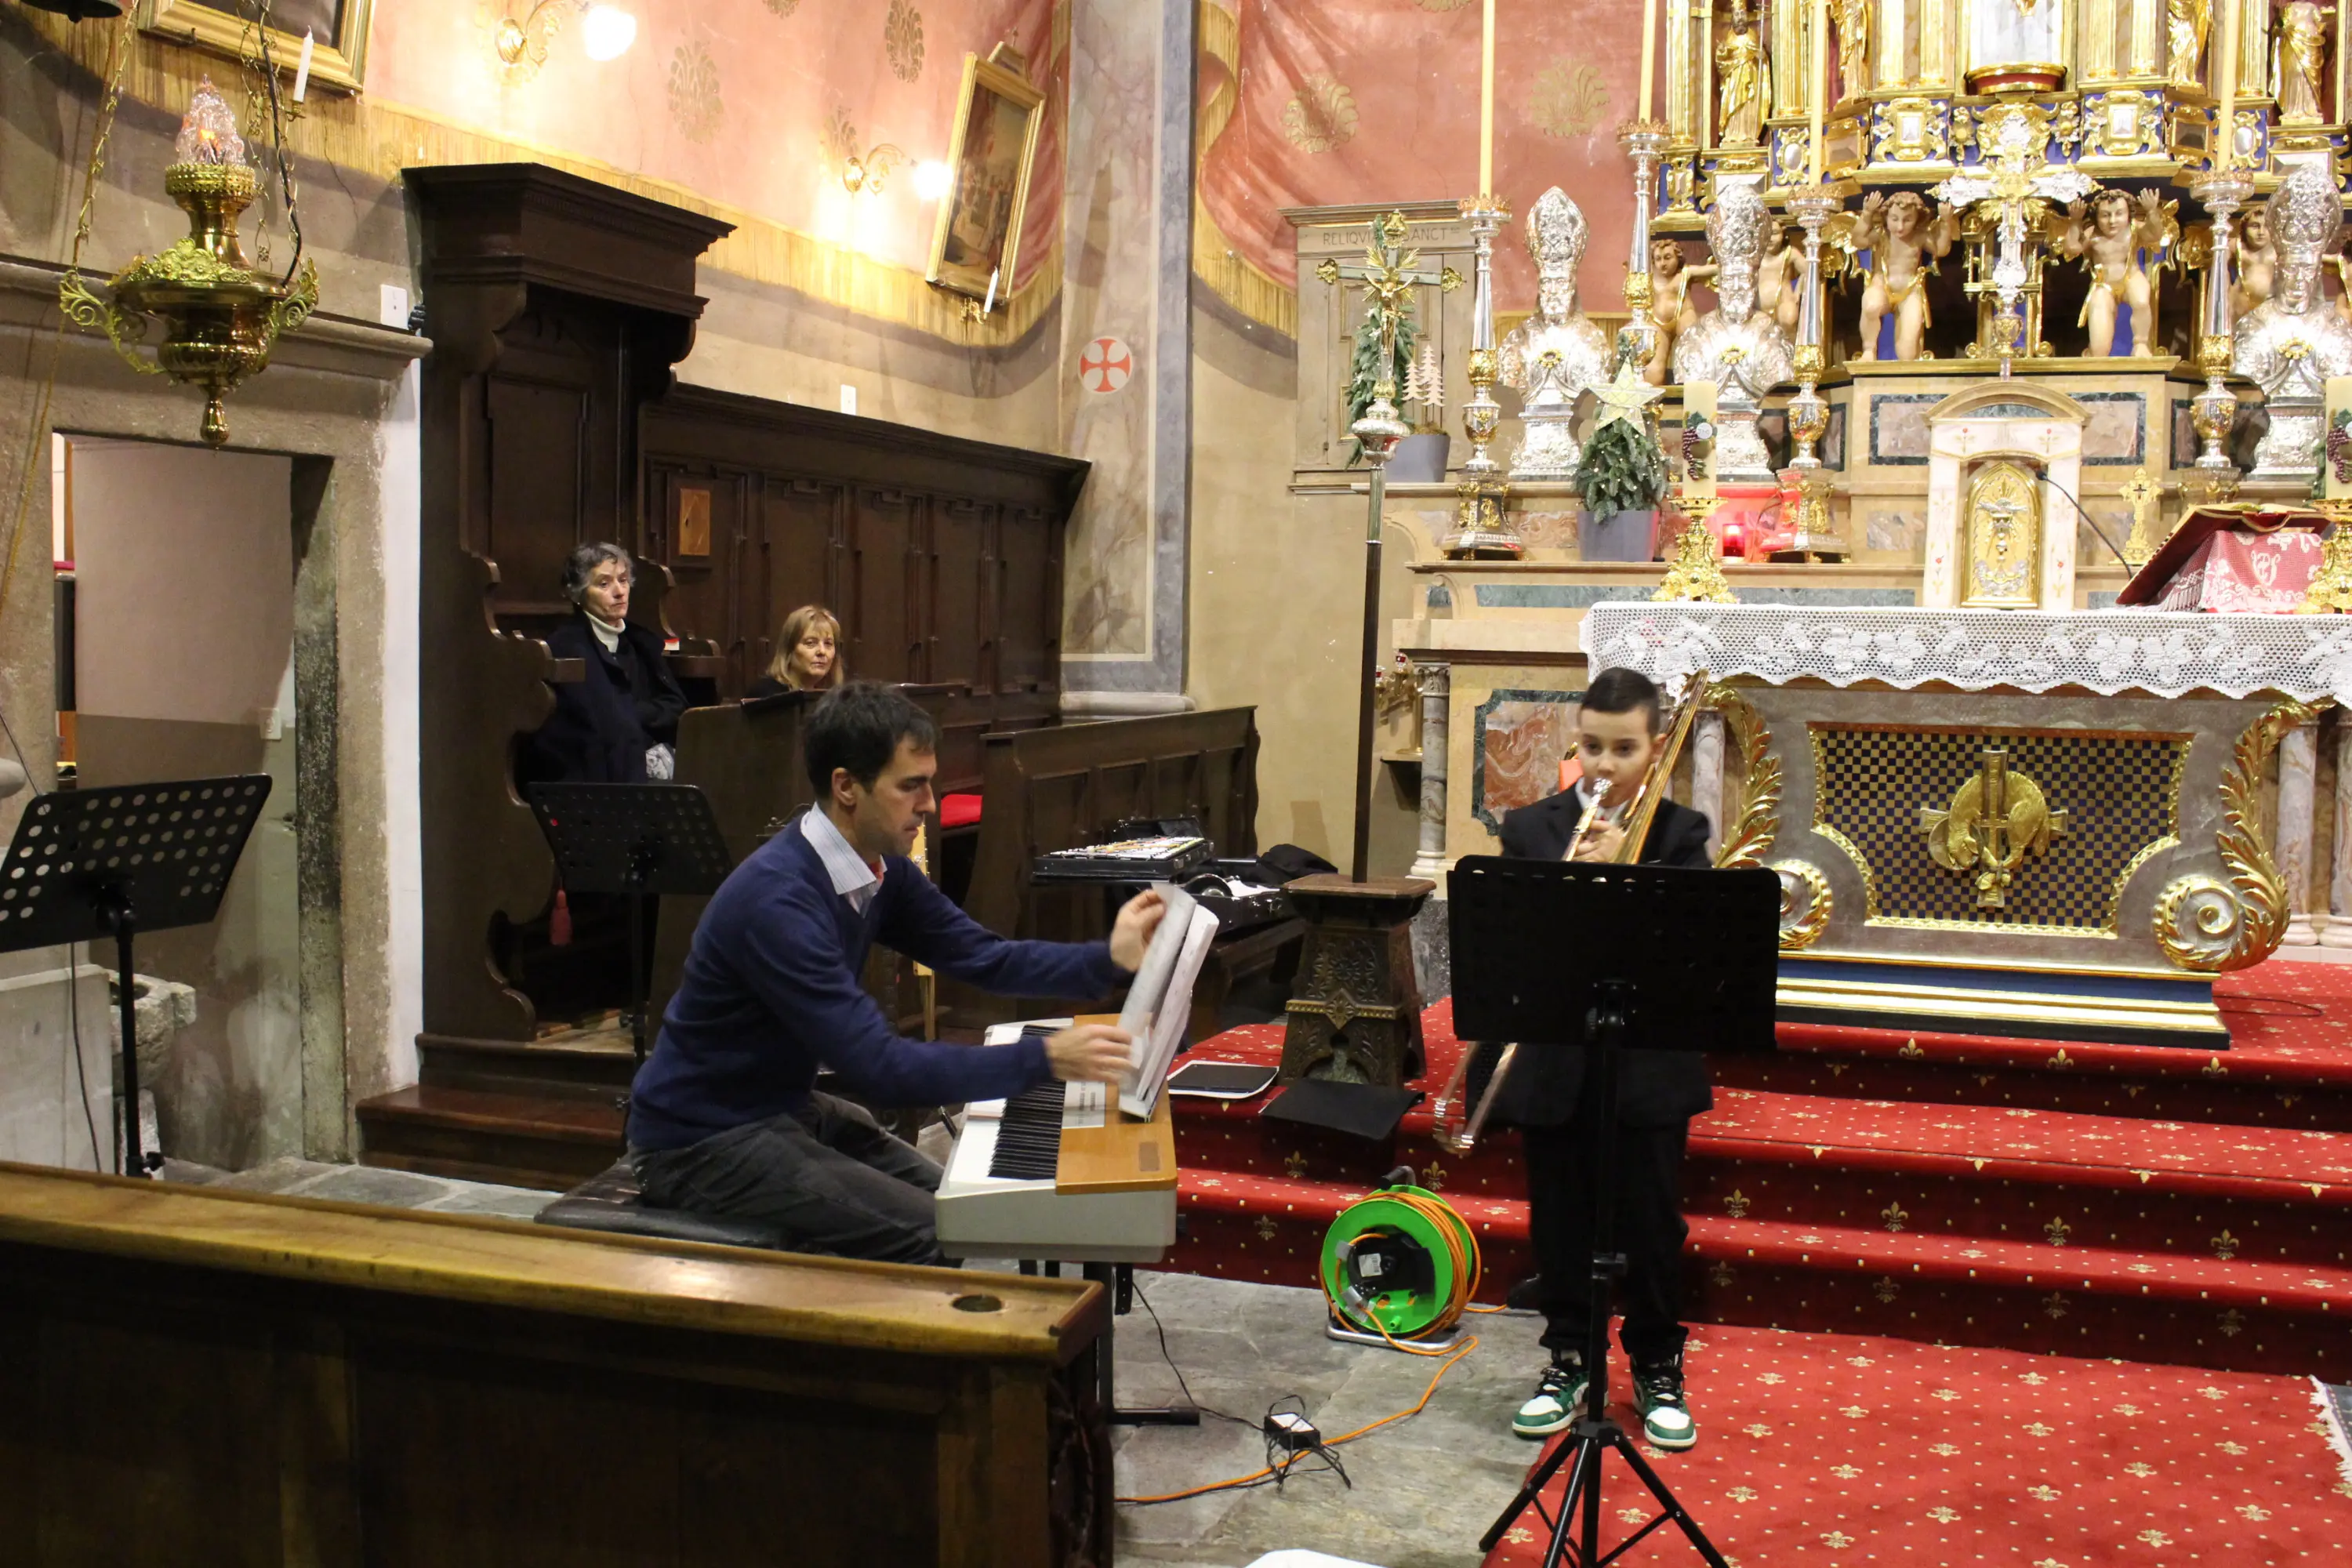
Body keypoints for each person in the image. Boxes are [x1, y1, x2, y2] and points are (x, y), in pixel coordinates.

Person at [626, 681, 1164, 1265]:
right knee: (935, 1233)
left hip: (774, 1110)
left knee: (962, 1204)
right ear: (846, 787)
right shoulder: (778, 902)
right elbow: (881, 1068)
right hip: (696, 1142)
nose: (930, 803)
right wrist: (1046, 1060)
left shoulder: (879, 869)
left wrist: (1107, 958)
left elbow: (983, 957)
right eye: (912, 786)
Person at [1490, 667, 1713, 1451]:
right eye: (1592, 746)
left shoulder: (1682, 835)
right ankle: (1569, 1357)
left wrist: (1627, 871)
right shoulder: (1532, 830)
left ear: (1656, 750)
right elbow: (1515, 949)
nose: (1606, 764)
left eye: (1625, 748)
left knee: (1653, 1222)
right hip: (1556, 1065)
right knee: (1560, 1218)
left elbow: (1688, 953)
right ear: (1574, 744)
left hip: (1648, 1067)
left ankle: (1656, 1363)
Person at [524, 543, 687, 784]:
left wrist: (634, 714)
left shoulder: (638, 641)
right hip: (596, 782)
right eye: (604, 584)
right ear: (578, 594)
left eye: (623, 580)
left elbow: (676, 707)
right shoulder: (567, 647)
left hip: (642, 767)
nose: (619, 591)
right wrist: (643, 716)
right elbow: (602, 729)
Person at [746, 604, 844, 699]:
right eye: (810, 643)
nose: (822, 652)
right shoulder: (767, 694)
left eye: (828, 644)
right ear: (789, 649)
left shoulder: (835, 698)